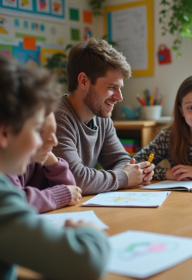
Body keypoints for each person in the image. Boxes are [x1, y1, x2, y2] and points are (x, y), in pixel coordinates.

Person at [0, 55, 109, 280]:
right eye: (36, 129)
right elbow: (86, 263)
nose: (46, 143)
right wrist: (90, 233)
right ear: (4, 134)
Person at [53, 38, 154, 194]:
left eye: (119, 88)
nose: (119, 97)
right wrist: (125, 177)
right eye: (112, 87)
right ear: (84, 81)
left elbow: (121, 160)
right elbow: (75, 179)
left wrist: (134, 172)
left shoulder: (100, 116)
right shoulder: (57, 117)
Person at [7, 112, 82, 213]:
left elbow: (71, 190)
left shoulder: (35, 159)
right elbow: (14, 204)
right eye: (40, 131)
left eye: (53, 132)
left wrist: (52, 161)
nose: (54, 141)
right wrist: (59, 195)